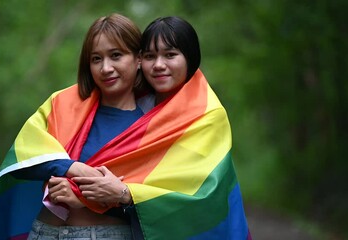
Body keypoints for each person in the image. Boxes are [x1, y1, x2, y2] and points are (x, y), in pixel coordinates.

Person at [72, 16, 252, 240]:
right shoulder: (133, 105)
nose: (158, 65)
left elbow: (200, 194)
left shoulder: (207, 116)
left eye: (170, 55)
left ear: (190, 58)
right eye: (150, 56)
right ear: (139, 60)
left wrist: (125, 193)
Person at [0, 13, 146, 240]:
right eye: (96, 59)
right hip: (43, 232)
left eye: (116, 55)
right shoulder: (64, 104)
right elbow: (25, 161)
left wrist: (83, 197)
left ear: (138, 58)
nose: (105, 68)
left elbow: (152, 204)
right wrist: (73, 168)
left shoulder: (152, 126)